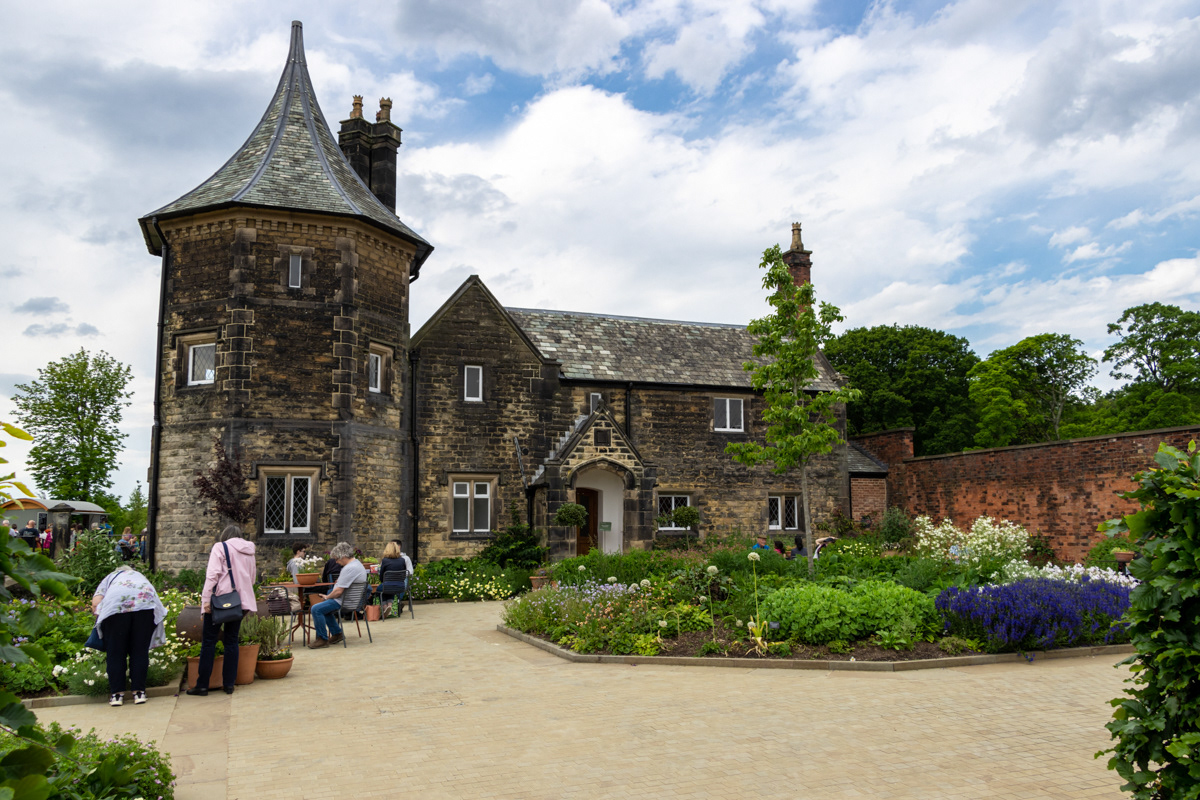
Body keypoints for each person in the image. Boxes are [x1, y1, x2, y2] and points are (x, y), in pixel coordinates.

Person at [187, 524, 258, 697]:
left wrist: (206, 601)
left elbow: (212, 575)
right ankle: (229, 684)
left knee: (209, 641)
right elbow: (253, 577)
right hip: (240, 602)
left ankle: (202, 685)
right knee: (232, 641)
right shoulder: (250, 550)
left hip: (220, 600)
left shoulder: (220, 547)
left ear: (224, 535)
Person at [91, 565, 167, 707]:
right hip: (144, 605)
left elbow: (96, 603)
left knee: (115, 651)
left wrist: (99, 617)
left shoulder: (111, 577)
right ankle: (139, 692)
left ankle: (117, 694)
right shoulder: (139, 577)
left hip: (116, 608)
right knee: (139, 650)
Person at [308, 542, 367, 649]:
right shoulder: (357, 564)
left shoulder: (349, 568)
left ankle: (322, 639)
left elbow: (338, 592)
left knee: (316, 609)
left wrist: (327, 597)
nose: (336, 562)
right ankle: (337, 633)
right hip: (351, 600)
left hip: (344, 601)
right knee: (324, 609)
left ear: (343, 557)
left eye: (337, 559)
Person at [377, 540, 412, 618]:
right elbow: (404, 575)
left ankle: (385, 607)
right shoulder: (402, 560)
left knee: (380, 590)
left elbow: (381, 576)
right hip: (400, 586)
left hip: (388, 585)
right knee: (391, 587)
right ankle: (390, 605)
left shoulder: (385, 561)